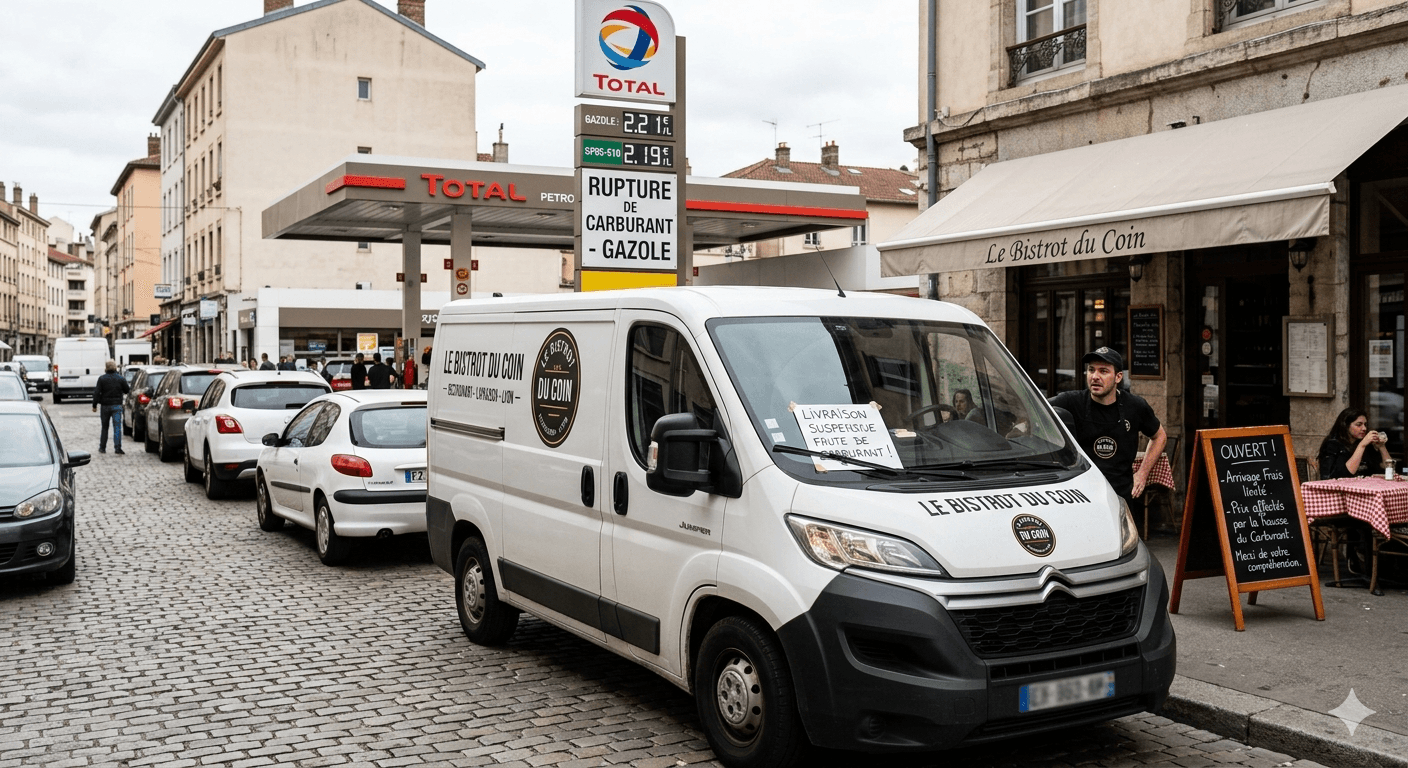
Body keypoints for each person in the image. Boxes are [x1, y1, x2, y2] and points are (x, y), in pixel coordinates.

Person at [1048, 347, 1167, 517]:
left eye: (1103, 371)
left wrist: (1142, 473)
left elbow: (1159, 436)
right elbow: (1037, 409)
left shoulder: (1135, 406)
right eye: (1091, 370)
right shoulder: (1070, 401)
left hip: (1120, 495)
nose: (1095, 376)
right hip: (1081, 494)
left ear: (1118, 377)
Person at [1317, 408, 1390, 480]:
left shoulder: (1365, 443)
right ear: (1346, 425)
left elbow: (1388, 469)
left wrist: (1382, 447)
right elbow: (1345, 474)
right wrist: (1362, 445)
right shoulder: (1332, 444)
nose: (1364, 428)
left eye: (1365, 424)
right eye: (1359, 425)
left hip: (1366, 487)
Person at [91, 359, 131, 455]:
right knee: (117, 427)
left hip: (105, 406)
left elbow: (97, 392)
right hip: (117, 405)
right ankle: (117, 448)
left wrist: (94, 405)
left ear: (106, 368)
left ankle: (102, 447)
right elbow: (127, 390)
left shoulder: (102, 379)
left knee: (104, 427)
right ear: (115, 367)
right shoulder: (120, 378)